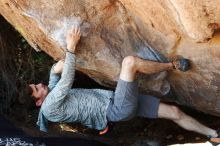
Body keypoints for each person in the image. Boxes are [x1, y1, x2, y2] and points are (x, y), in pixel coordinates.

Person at [28, 26, 219, 142]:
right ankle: (172, 65)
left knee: (174, 113)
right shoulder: (50, 107)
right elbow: (66, 80)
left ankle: (213, 135)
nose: (40, 85)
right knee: (130, 62)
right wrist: (71, 46)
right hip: (115, 109)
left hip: (116, 103)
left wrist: (58, 64)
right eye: (37, 89)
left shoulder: (49, 93)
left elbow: (55, 74)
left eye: (36, 84)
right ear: (38, 102)